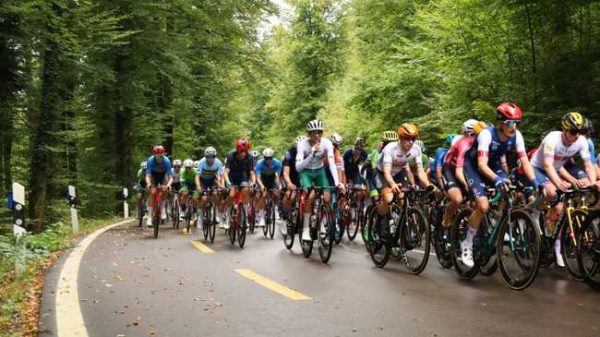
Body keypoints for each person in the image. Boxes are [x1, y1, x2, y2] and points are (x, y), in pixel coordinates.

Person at [461, 102, 540, 267]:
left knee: (510, 190)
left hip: (493, 165)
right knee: (482, 206)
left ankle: (496, 221)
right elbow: (482, 164)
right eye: (510, 122)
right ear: (500, 123)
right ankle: (467, 243)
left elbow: (525, 163)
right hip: (473, 166)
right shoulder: (486, 135)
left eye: (517, 123)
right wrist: (496, 180)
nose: (514, 127)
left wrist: (535, 182)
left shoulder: (517, 136)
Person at [528, 112, 597, 266]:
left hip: (558, 168)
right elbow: (547, 165)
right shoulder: (552, 139)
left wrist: (592, 183)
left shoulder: (581, 141)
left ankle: (558, 246)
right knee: (552, 192)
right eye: (573, 132)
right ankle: (535, 211)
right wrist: (559, 183)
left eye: (579, 132)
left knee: (563, 207)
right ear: (564, 129)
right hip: (539, 168)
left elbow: (588, 165)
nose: (576, 136)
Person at [296, 119, 345, 241]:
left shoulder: (326, 143)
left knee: (327, 196)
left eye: (320, 132)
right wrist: (312, 154)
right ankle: (306, 229)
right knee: (310, 195)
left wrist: (337, 182)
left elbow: (332, 163)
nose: (317, 135)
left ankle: (322, 222)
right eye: (314, 133)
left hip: (319, 171)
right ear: (309, 134)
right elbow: (298, 167)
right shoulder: (302, 144)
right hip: (306, 172)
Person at [375, 123, 433, 221]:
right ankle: (378, 220)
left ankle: (402, 226)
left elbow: (420, 171)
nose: (411, 142)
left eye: (413, 139)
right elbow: (387, 172)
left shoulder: (416, 149)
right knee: (389, 199)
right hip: (382, 173)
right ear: (400, 138)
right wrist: (392, 184)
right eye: (407, 138)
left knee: (403, 199)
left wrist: (428, 186)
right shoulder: (390, 148)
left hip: (399, 172)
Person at [441, 121, 487, 234]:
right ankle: (446, 219)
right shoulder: (464, 144)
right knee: (457, 199)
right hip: (451, 170)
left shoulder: (482, 143)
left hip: (466, 170)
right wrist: (467, 186)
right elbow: (458, 172)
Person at [223, 138, 256, 228]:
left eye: (245, 151)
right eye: (241, 151)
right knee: (231, 194)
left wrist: (253, 182)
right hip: (232, 177)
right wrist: (228, 182)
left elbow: (252, 173)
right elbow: (226, 172)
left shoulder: (249, 157)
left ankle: (244, 216)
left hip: (242, 176)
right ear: (237, 149)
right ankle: (228, 217)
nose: (243, 153)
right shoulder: (230, 155)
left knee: (246, 190)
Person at [195, 147, 225, 228]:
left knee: (215, 194)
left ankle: (215, 213)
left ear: (215, 157)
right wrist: (198, 186)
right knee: (204, 198)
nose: (210, 159)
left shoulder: (218, 163)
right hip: (202, 181)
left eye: (212, 157)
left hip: (212, 180)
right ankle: (200, 218)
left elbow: (221, 176)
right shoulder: (201, 162)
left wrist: (222, 186)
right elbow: (197, 176)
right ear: (205, 157)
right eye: (208, 157)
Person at [145, 145, 174, 227]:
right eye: (156, 156)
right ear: (154, 155)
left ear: (163, 155)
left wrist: (168, 185)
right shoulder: (150, 160)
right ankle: (150, 218)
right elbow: (148, 175)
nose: (158, 158)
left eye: (160, 156)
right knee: (152, 192)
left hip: (163, 176)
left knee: (164, 189)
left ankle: (163, 209)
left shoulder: (167, 161)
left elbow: (170, 177)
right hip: (153, 176)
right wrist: (148, 184)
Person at [255, 148, 283, 228]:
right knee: (264, 195)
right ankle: (262, 217)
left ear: (272, 157)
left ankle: (276, 209)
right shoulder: (259, 163)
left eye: (270, 158)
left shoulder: (277, 163)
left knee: (276, 193)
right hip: (262, 180)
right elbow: (258, 177)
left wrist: (279, 186)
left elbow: (277, 176)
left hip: (272, 179)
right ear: (264, 158)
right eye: (266, 158)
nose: (268, 160)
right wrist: (262, 186)